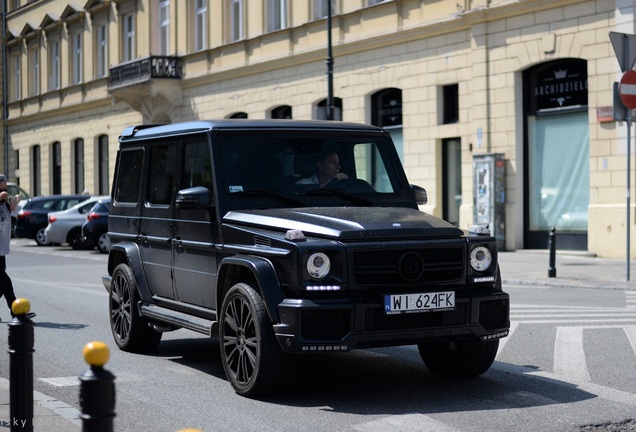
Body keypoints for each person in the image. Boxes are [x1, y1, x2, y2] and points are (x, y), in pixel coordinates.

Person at [0, 174, 21, 319]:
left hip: (1, 249)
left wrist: (16, 199)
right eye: (2, 184)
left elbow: (13, 206)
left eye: (6, 185)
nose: (5, 189)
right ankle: (15, 310)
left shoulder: (5, 203)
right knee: (5, 281)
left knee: (1, 282)